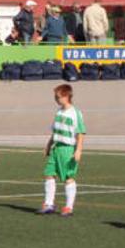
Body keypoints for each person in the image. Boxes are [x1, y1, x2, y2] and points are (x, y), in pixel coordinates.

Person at [38, 84, 85, 217]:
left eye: (58, 96)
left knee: (68, 177)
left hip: (67, 149)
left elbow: (80, 133)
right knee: (49, 174)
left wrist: (78, 150)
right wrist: (48, 145)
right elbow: (55, 132)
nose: (56, 99)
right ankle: (49, 204)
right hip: (56, 148)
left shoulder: (75, 113)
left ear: (66, 96)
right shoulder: (59, 112)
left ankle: (69, 207)